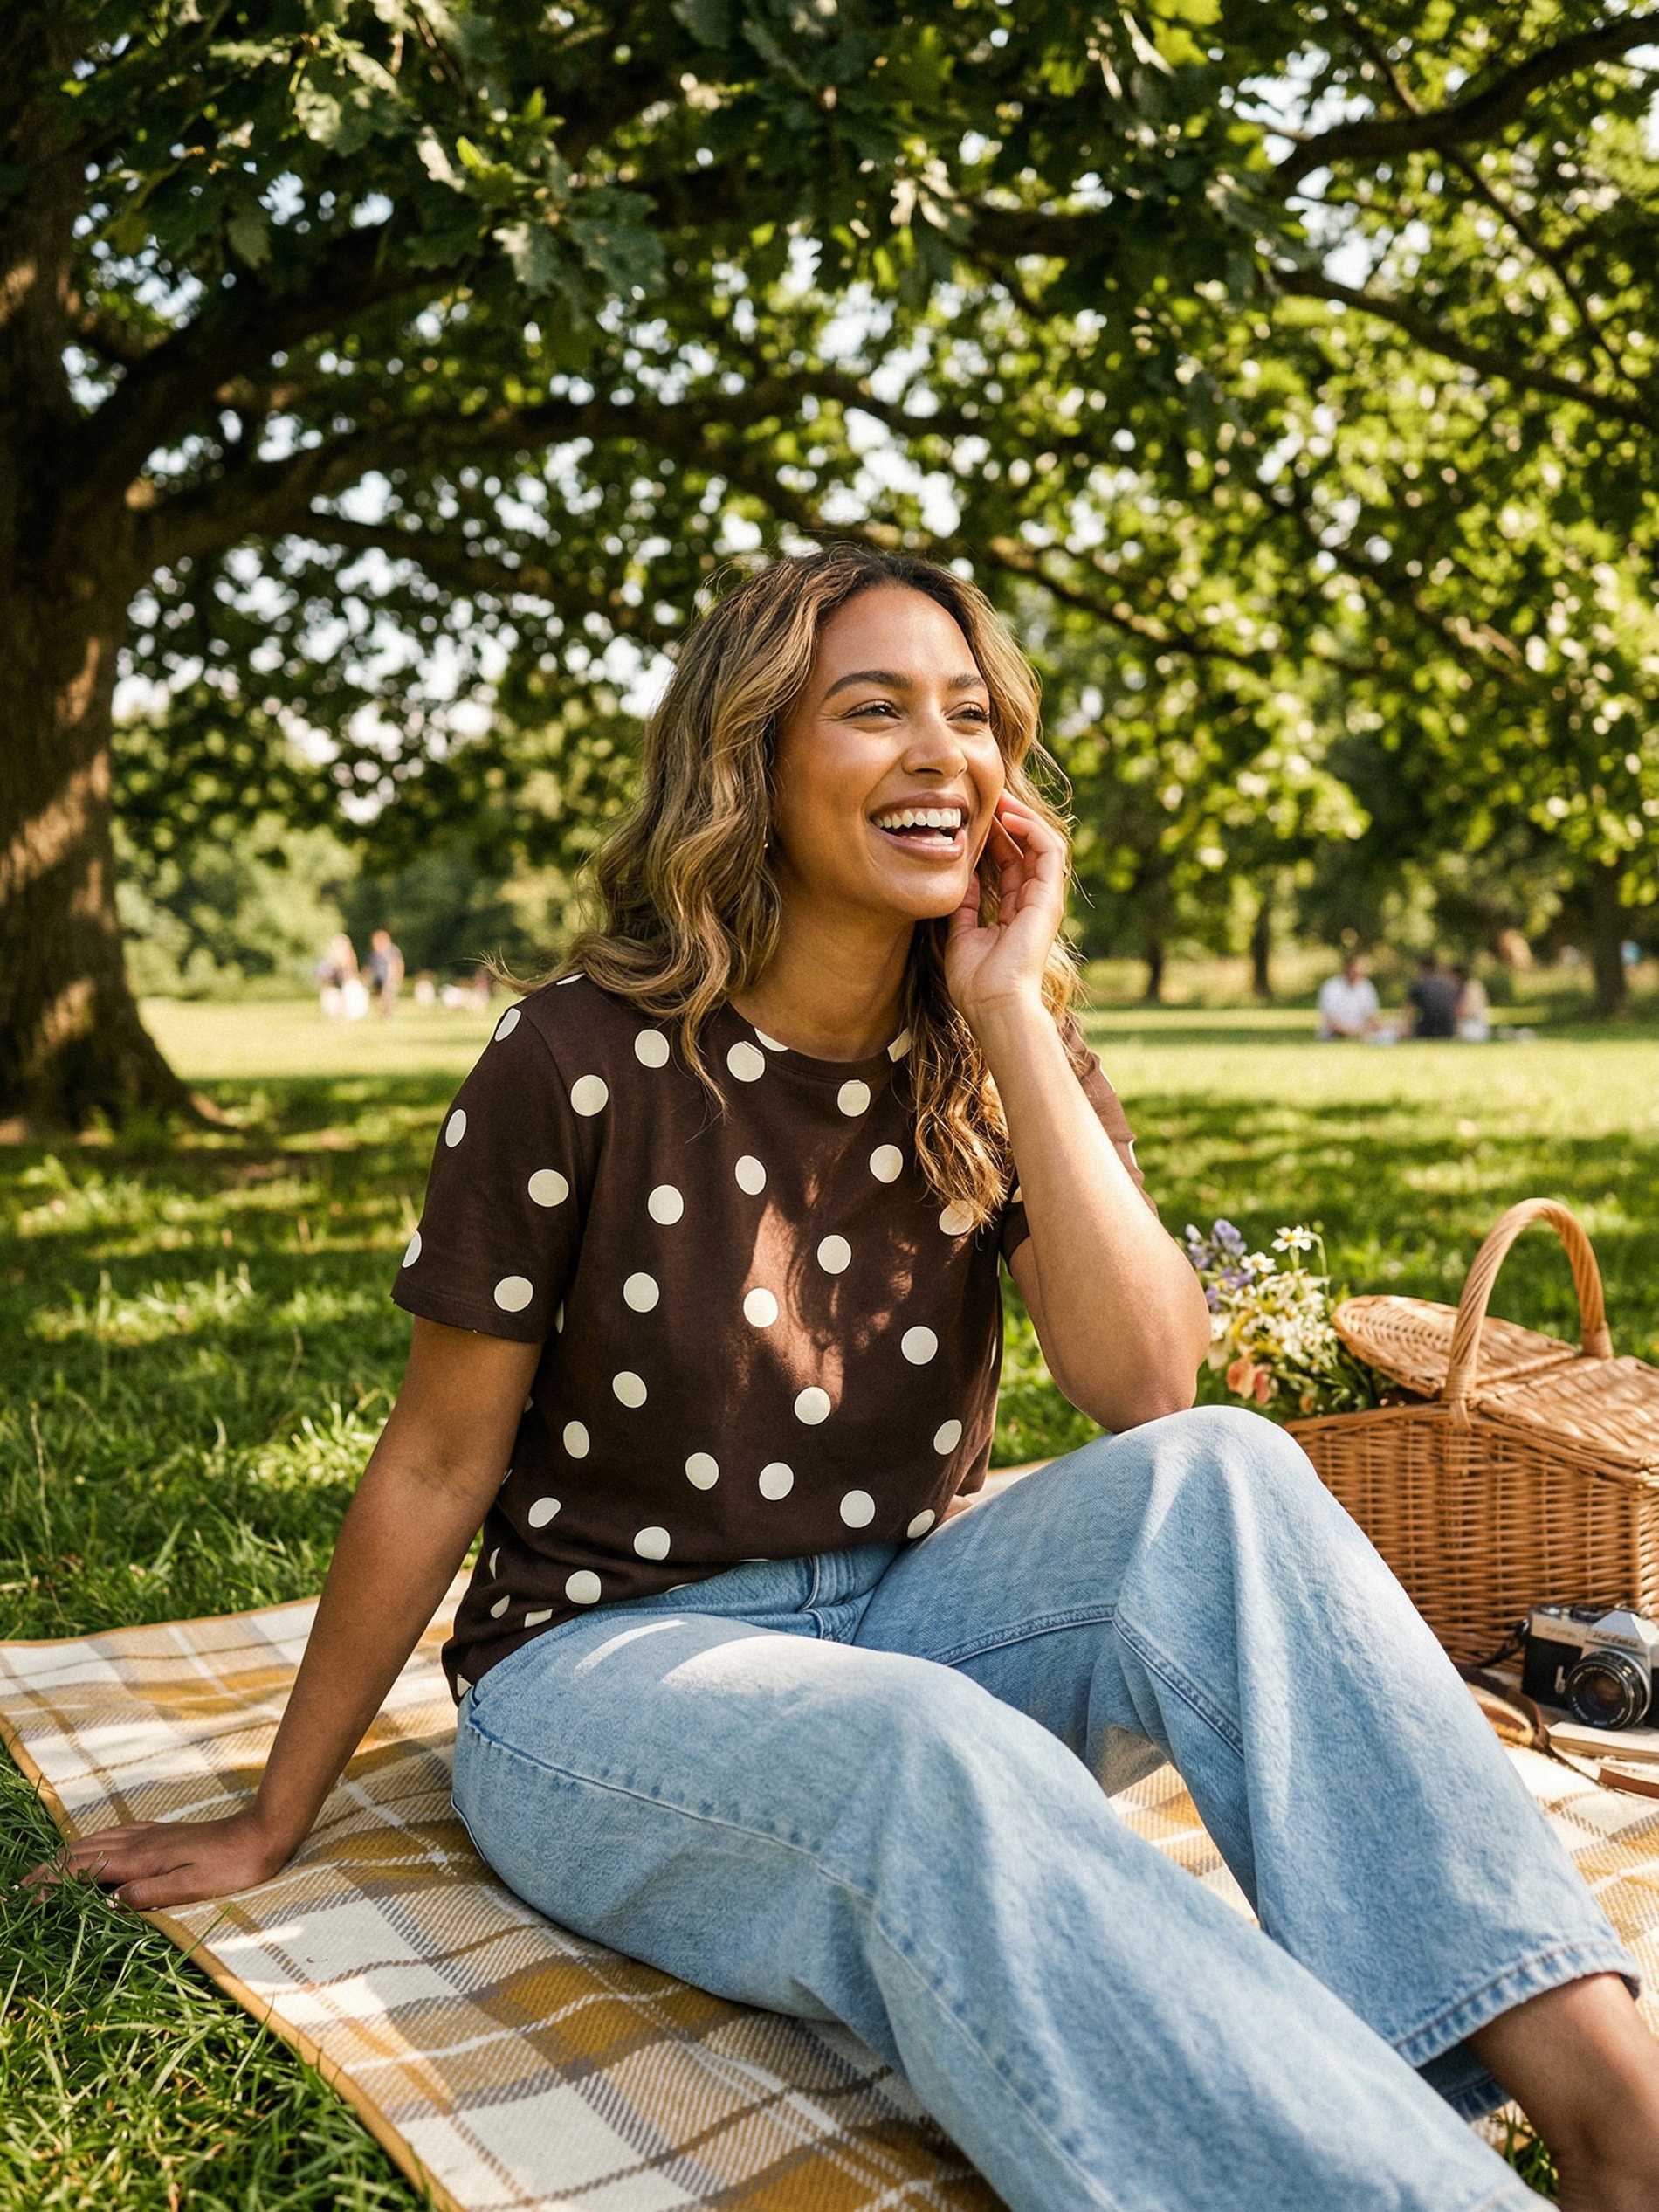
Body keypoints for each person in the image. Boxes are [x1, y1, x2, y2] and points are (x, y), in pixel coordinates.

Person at [43, 550, 1659, 2212]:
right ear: (748, 757)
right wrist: (270, 1812)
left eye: (971, 716)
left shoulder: (990, 1047)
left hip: (906, 1608)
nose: (939, 750)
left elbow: (1152, 1386)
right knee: (933, 1751)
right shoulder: (574, 1062)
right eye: (871, 707)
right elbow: (435, 1464)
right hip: (603, 1678)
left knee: (1232, 1473)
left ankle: (1619, 2130)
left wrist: (1014, 1006)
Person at [1316, 951, 1380, 1040]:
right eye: (1355, 969)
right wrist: (1356, 1032)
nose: (1359, 972)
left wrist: (1374, 1027)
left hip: (1360, 1032)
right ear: (1346, 969)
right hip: (1333, 1035)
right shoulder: (1331, 987)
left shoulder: (1366, 986)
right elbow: (1331, 1021)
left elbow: (1372, 1016)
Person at [1408, 953, 1462, 1039]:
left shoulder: (1420, 984)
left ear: (1422, 967)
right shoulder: (1448, 984)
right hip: (1449, 1030)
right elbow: (1457, 1009)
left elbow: (1408, 1011)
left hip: (1428, 1030)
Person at [316, 932, 358, 1020]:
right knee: (332, 1001)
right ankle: (337, 1015)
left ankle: (345, 1015)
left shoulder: (349, 955)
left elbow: (351, 969)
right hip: (334, 982)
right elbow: (325, 971)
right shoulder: (331, 956)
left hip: (345, 981)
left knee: (346, 998)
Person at [364, 927, 405, 1017]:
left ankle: (389, 1014)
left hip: (389, 977)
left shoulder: (393, 951)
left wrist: (398, 976)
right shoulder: (373, 953)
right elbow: (369, 966)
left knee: (388, 996)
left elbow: (398, 964)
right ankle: (383, 1014)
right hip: (377, 978)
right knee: (379, 997)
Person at [1454, 965, 1491, 1044]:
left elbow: (1470, 1011)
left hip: (1473, 1029)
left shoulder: (1472, 987)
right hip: (1476, 1028)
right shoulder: (1472, 986)